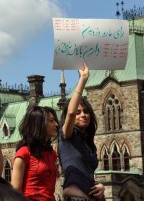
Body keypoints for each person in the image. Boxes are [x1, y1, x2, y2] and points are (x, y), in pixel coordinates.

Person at [58, 63, 105, 201]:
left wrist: (100, 186)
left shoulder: (88, 143)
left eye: (86, 111)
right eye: (79, 112)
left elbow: (86, 173)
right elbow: (70, 113)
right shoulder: (67, 135)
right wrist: (83, 79)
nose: (83, 115)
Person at [11, 105, 59, 201]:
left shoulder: (52, 154)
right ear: (39, 125)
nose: (56, 124)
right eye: (51, 121)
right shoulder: (24, 153)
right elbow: (15, 191)